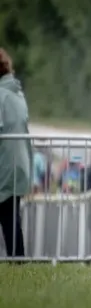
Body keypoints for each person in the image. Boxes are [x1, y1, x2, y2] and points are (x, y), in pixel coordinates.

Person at [0, 48, 32, 258]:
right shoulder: (16, 93)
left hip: (4, 166)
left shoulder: (2, 95)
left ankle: (18, 261)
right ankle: (18, 261)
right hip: (16, 166)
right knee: (12, 221)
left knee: (11, 221)